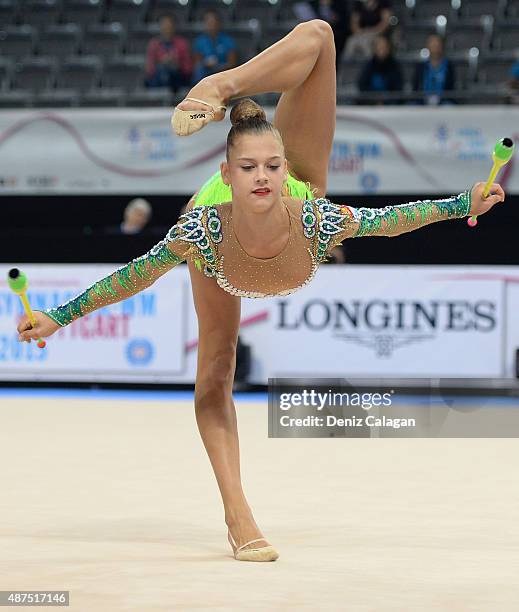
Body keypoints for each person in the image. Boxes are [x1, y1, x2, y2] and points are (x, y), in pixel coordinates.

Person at [18, 20, 505, 563]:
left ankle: (222, 86)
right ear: (226, 175)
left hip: (289, 214)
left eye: (271, 167)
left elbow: (392, 218)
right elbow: (136, 274)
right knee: (216, 371)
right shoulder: (202, 230)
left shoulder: (312, 213)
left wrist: (465, 203)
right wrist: (58, 316)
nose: (262, 177)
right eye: (248, 168)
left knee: (321, 34)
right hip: (223, 253)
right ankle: (237, 513)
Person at [145, 14, 192, 92]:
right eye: (164, 25)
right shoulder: (154, 44)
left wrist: (177, 62)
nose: (167, 28)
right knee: (162, 70)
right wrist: (162, 62)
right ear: (160, 27)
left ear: (174, 26)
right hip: (158, 78)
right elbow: (149, 69)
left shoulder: (182, 44)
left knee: (172, 71)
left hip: (177, 77)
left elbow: (188, 69)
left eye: (169, 25)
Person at [192, 10, 237, 84]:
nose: (211, 25)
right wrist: (206, 63)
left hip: (222, 71)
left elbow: (232, 63)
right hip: (206, 71)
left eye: (213, 22)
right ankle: (197, 92)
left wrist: (219, 66)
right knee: (199, 71)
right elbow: (197, 63)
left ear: (219, 23)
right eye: (208, 22)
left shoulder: (227, 40)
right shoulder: (200, 41)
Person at [357, 34, 403, 102]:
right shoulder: (369, 65)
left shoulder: (395, 66)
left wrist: (385, 99)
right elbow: (362, 85)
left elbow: (398, 87)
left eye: (384, 47)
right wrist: (375, 99)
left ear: (389, 49)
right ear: (374, 49)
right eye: (379, 47)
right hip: (371, 102)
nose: (382, 50)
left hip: (391, 104)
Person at [413, 34, 456, 105]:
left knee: (450, 106)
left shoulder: (449, 66)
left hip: (443, 101)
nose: (435, 47)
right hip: (422, 101)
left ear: (442, 46)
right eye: (432, 44)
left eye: (437, 44)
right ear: (427, 46)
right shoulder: (420, 67)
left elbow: (451, 88)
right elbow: (416, 87)